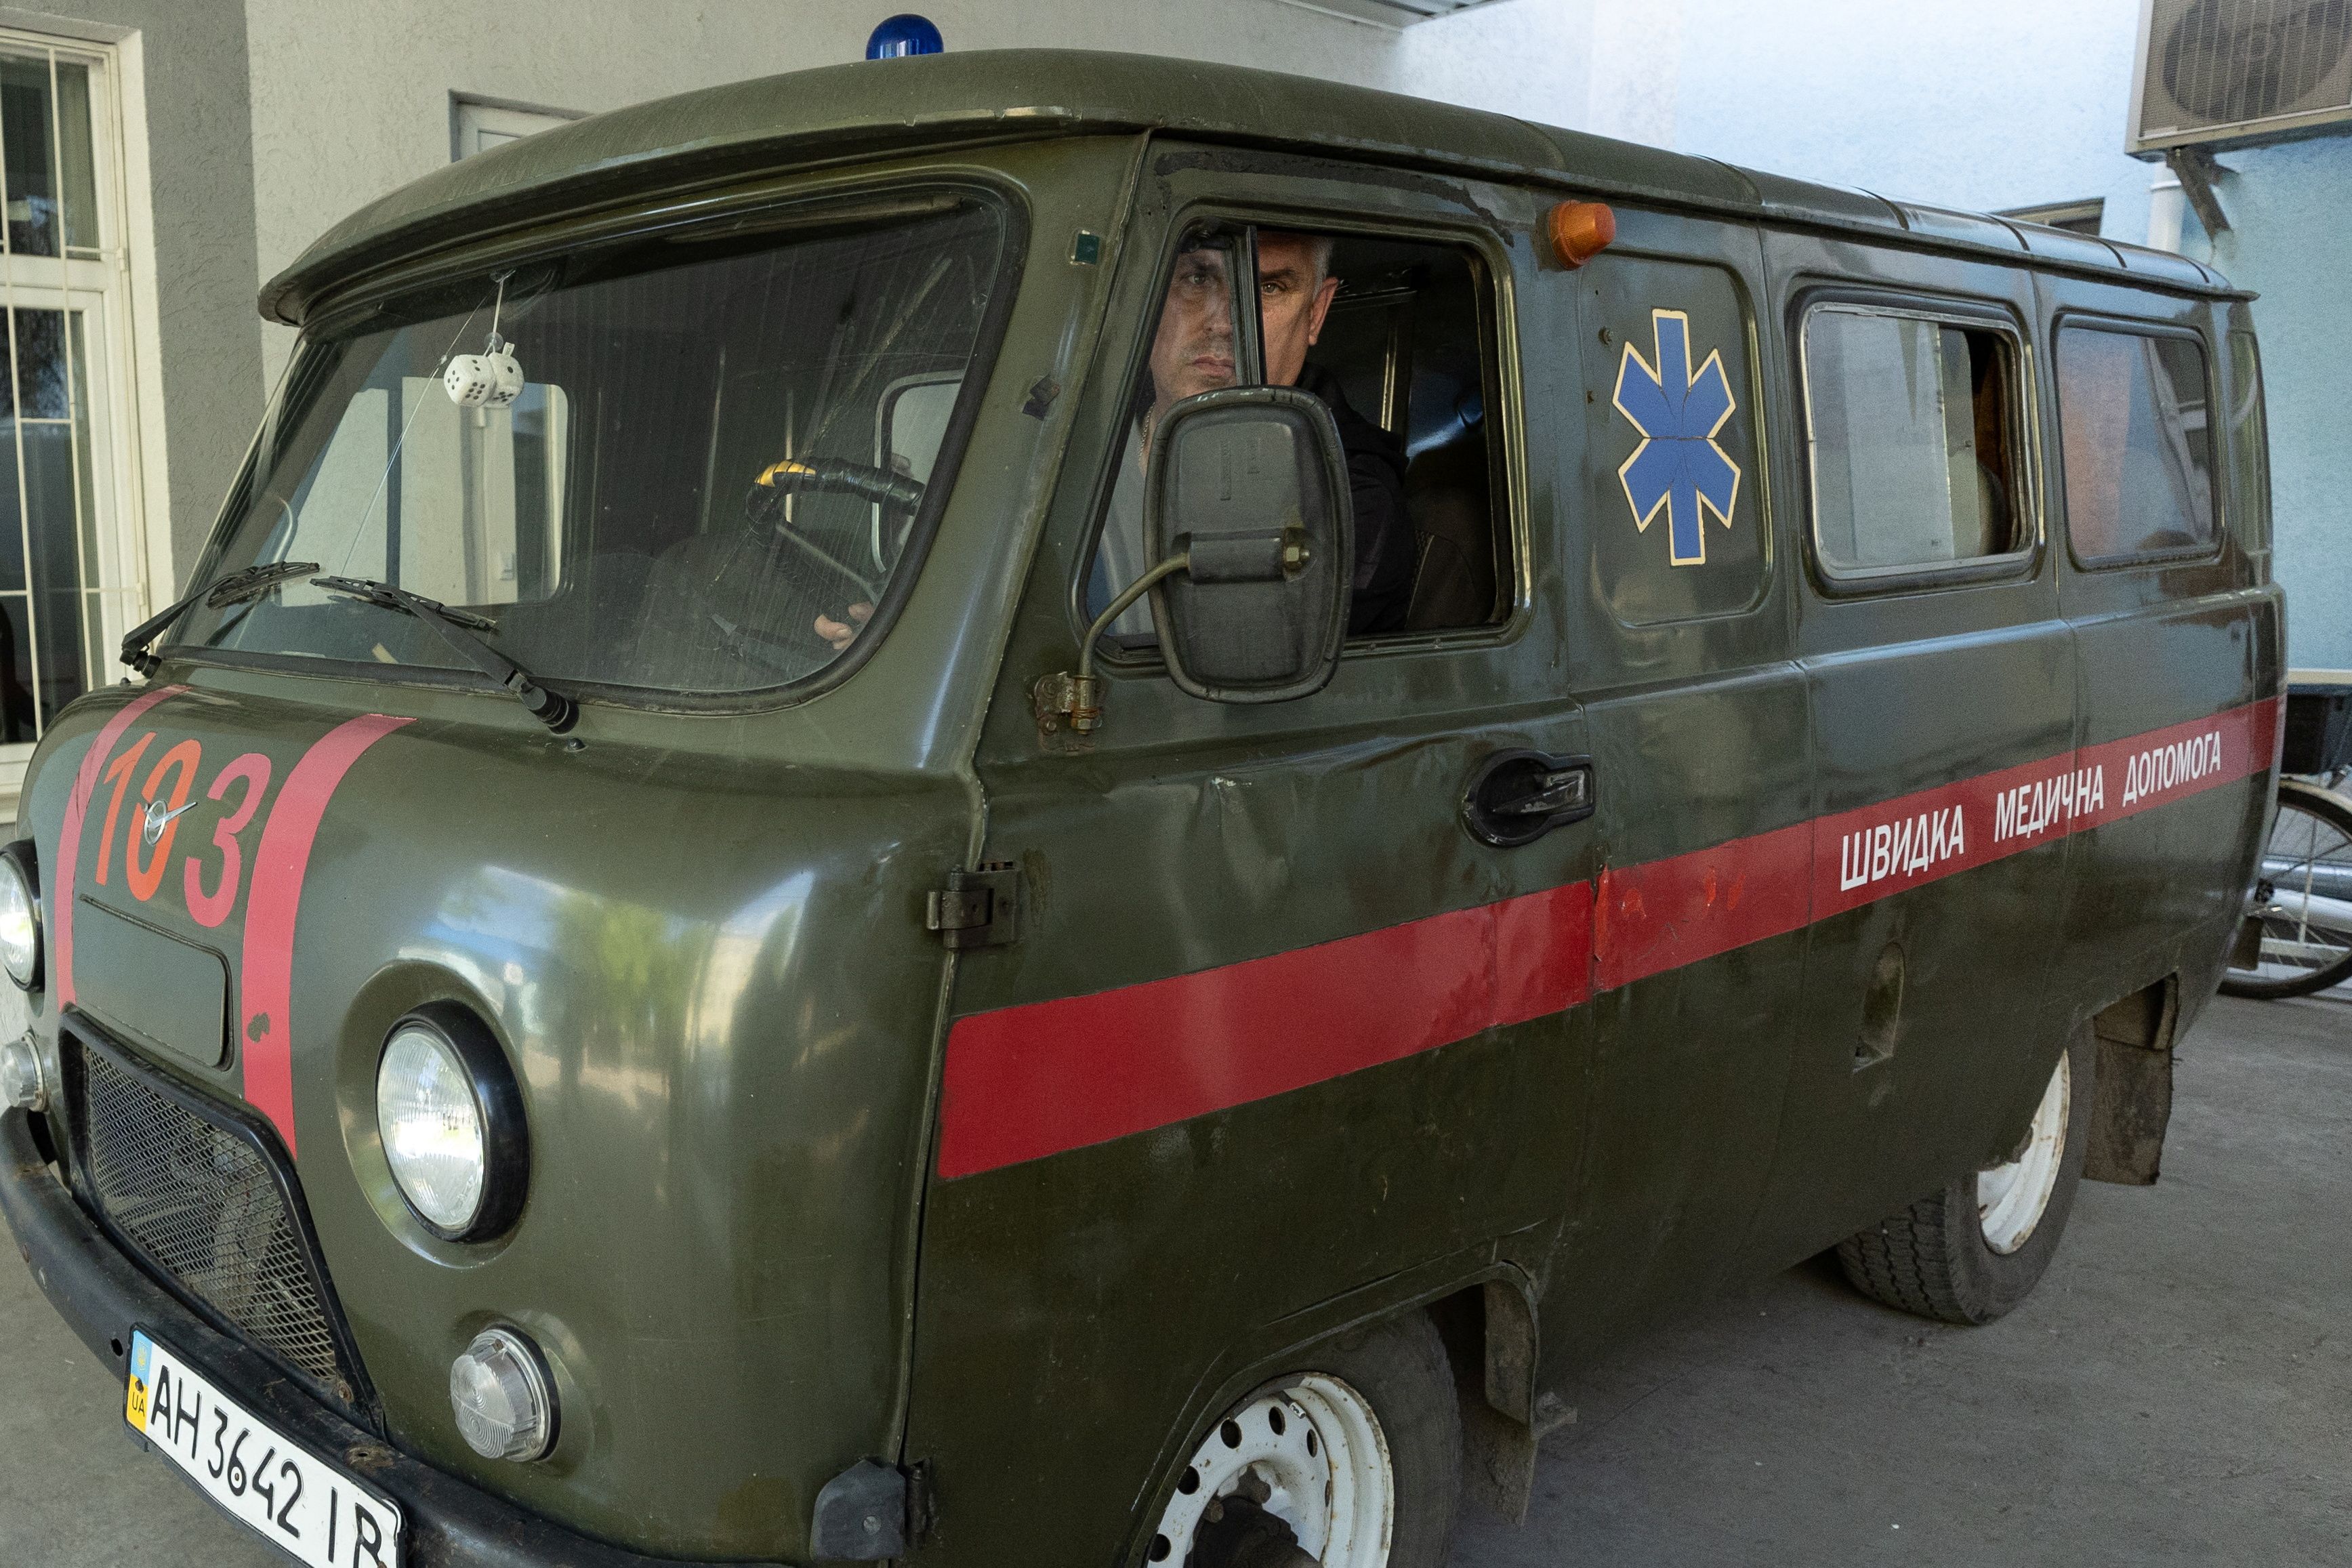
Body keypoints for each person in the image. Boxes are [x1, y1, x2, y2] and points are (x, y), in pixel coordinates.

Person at [818, 229, 1411, 651]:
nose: (1225, 321)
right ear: (1149, 293)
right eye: (1197, 277)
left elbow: (1198, 679)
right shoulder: (1076, 436)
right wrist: (920, 642)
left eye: (1270, 289)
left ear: (1316, 312)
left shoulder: (1349, 494)